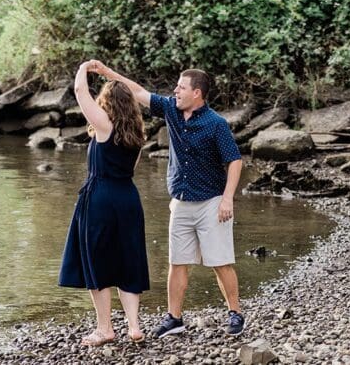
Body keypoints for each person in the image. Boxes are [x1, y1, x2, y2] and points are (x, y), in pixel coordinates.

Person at [93, 62, 246, 337]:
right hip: (181, 202)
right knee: (178, 262)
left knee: (220, 262)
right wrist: (107, 73)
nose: (175, 91)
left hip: (212, 201)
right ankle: (174, 318)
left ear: (197, 93)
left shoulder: (216, 124)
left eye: (181, 87)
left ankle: (235, 312)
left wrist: (227, 199)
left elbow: (234, 161)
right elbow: (138, 91)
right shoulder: (171, 111)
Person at [58, 60, 150, 346]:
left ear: (107, 103)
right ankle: (134, 326)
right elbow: (130, 169)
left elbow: (78, 90)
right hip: (128, 198)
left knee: (97, 262)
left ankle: (105, 328)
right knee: (128, 260)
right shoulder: (138, 135)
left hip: (100, 198)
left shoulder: (103, 125)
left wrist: (84, 67)